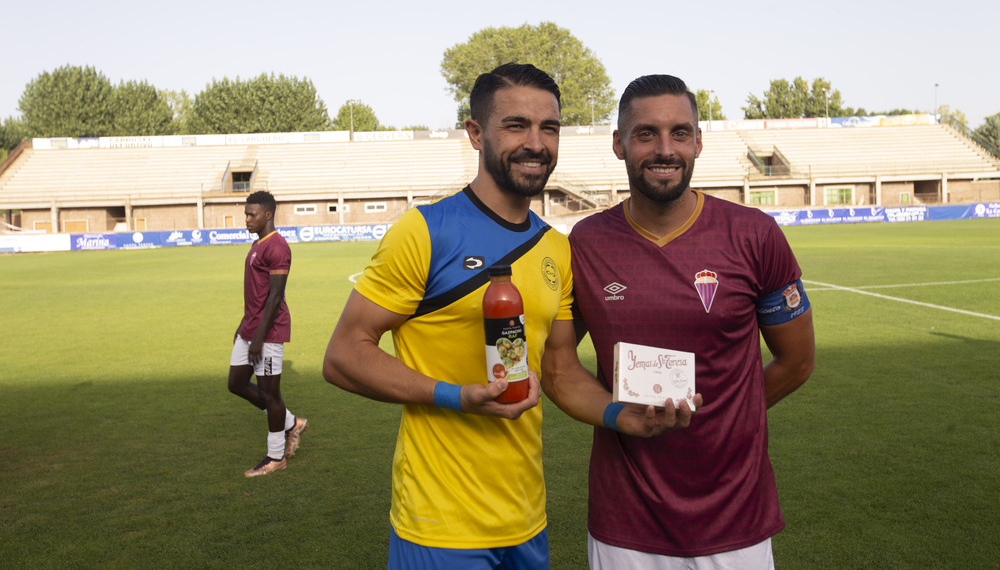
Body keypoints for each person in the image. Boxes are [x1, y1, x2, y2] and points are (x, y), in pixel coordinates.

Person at [541, 74, 815, 569]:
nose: (665, 149)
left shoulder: (755, 235)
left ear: (699, 142)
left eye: (680, 133)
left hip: (736, 516)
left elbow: (796, 361)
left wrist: (728, 418)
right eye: (646, 134)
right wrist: (615, 413)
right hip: (625, 521)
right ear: (619, 145)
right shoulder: (585, 243)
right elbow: (555, 364)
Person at [323, 63, 573, 569]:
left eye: (549, 127)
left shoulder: (557, 249)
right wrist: (456, 397)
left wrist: (624, 411)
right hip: (440, 525)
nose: (536, 142)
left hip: (527, 518)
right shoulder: (424, 232)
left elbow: (562, 370)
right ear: (476, 133)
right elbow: (344, 356)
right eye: (516, 125)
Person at [228, 190, 308, 477]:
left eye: (252, 214)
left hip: (269, 332)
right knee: (236, 383)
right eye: (246, 214)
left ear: (268, 214)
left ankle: (276, 457)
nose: (247, 219)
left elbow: (275, 298)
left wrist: (259, 337)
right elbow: (257, 294)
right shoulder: (257, 244)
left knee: (269, 394)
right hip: (250, 327)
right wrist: (244, 326)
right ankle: (291, 423)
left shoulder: (278, 247)